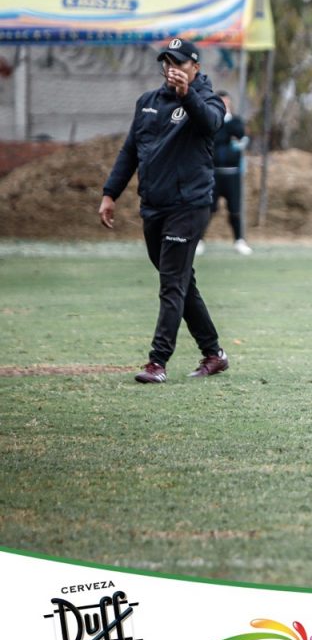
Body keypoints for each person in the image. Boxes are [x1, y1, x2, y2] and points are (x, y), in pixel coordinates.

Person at [99, 37, 230, 384]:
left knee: (171, 284)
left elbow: (210, 124)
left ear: (195, 67)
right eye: (167, 62)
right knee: (181, 281)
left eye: (179, 62)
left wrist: (187, 95)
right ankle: (214, 354)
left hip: (188, 206)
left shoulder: (208, 101)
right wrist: (110, 193)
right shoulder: (147, 102)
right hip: (153, 206)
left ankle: (157, 362)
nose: (172, 68)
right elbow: (130, 150)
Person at [198, 91, 252, 256]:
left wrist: (230, 131)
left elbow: (240, 134)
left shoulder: (235, 121)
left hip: (232, 173)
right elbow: (216, 137)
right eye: (220, 102)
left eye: (226, 102)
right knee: (208, 208)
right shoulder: (210, 121)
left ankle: (239, 240)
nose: (224, 105)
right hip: (213, 173)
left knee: (235, 209)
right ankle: (198, 240)